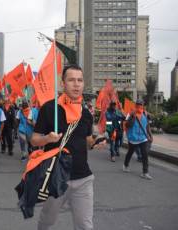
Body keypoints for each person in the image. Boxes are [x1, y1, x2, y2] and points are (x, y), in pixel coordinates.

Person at [30, 65, 105, 230]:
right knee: (47, 221)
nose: (76, 84)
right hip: (57, 178)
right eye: (71, 80)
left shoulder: (85, 113)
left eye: (80, 80)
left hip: (83, 178)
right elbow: (34, 140)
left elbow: (87, 141)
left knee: (85, 225)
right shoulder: (50, 109)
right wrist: (47, 138)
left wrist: (96, 142)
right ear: (63, 83)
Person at [123, 99, 154, 180]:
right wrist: (132, 116)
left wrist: (150, 135)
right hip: (133, 138)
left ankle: (145, 172)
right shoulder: (130, 113)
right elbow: (126, 124)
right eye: (138, 104)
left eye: (141, 104)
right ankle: (126, 165)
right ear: (135, 105)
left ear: (143, 105)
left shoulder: (145, 114)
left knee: (145, 154)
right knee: (130, 152)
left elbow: (147, 126)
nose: (139, 106)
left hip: (143, 138)